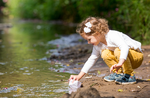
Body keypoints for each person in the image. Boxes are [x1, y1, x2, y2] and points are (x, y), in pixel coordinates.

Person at [69, 17, 143, 85]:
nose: (88, 42)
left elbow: (124, 47)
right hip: (123, 62)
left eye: (89, 39)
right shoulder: (98, 45)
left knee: (118, 50)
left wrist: (120, 63)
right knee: (105, 53)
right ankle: (118, 74)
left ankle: (130, 75)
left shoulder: (112, 36)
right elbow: (92, 59)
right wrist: (79, 76)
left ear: (97, 33)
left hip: (136, 57)